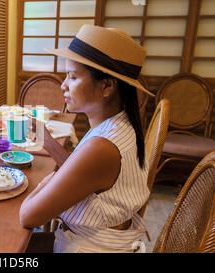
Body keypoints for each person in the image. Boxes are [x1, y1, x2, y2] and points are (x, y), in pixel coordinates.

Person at [19, 25, 155, 253]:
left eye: (72, 77)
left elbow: (28, 216)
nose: (63, 85)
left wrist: (46, 180)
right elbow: (82, 169)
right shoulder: (120, 125)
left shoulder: (102, 148)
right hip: (108, 239)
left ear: (107, 86)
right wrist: (49, 143)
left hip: (87, 247)